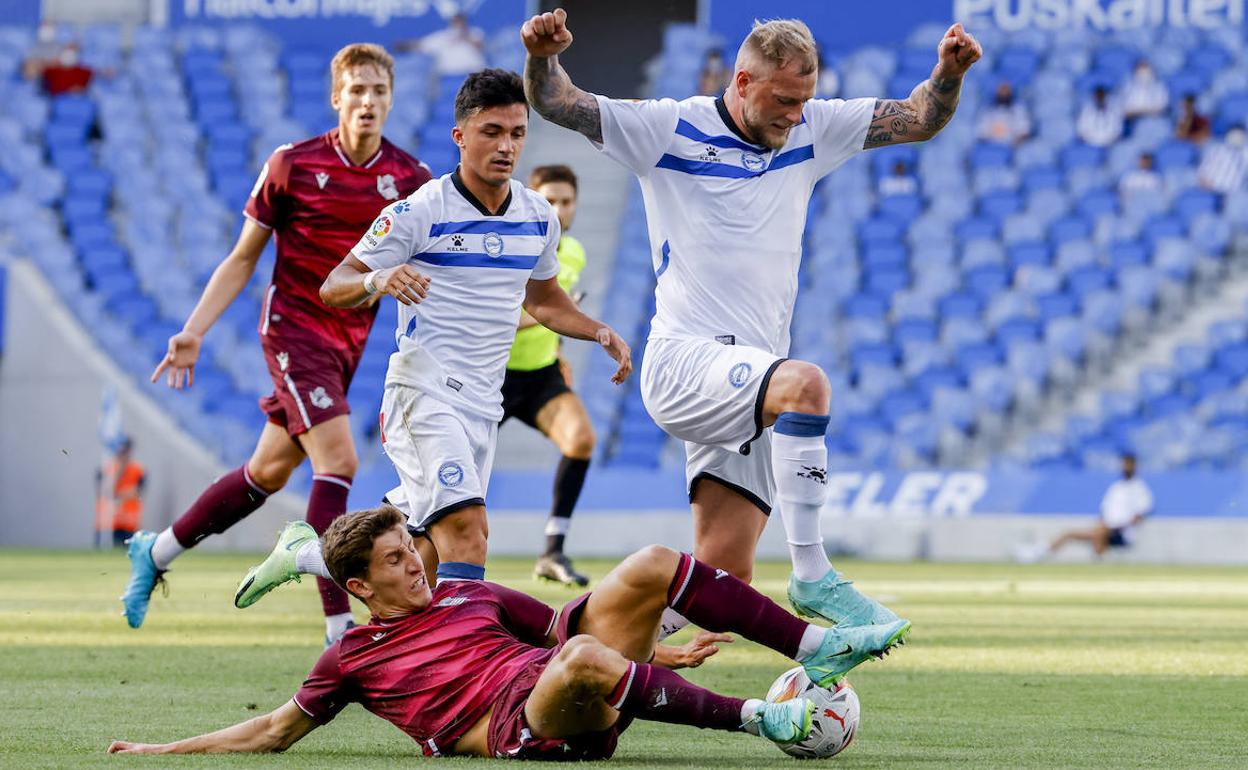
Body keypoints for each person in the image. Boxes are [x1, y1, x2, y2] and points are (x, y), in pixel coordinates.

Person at [521, 9, 979, 643]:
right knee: (807, 385)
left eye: (805, 101)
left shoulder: (814, 128)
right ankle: (812, 571)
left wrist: (948, 74)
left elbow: (920, 117)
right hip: (685, 362)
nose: (795, 115)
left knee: (722, 580)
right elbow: (557, 102)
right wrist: (542, 57)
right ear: (742, 80)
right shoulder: (668, 128)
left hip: (748, 380)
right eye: (784, 100)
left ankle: (566, 643)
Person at [108, 506, 908, 758]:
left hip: (577, 672)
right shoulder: (347, 655)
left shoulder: (473, 598)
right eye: (396, 563)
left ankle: (810, 644)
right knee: (584, 659)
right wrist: (162, 751)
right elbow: (275, 732)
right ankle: (757, 718)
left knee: (654, 561)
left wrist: (660, 647)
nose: (418, 569)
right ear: (358, 588)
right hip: (519, 725)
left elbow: (564, 626)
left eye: (413, 553)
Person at [120, 44, 433, 643]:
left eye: (379, 92)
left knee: (266, 471)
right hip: (292, 329)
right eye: (357, 90)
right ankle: (339, 628)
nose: (368, 102)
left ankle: (156, 552)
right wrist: (194, 330)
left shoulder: (410, 180)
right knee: (338, 460)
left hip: (348, 344)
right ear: (336, 97)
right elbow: (243, 258)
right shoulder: (292, 164)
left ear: (391, 100)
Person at [314, 69, 631, 588]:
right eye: (492, 132)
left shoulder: (538, 218)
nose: (506, 145)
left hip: (484, 402)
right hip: (424, 390)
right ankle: (471, 659)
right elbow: (335, 284)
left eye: (517, 132)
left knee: (424, 551)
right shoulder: (420, 211)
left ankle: (308, 557)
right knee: (468, 531)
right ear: (460, 136)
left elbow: (545, 300)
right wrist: (380, 276)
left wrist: (597, 331)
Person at [504, 164, 597, 586]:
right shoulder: (505, 247)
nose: (558, 211)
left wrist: (557, 348)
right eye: (548, 201)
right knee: (456, 469)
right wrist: (548, 317)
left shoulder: (574, 252)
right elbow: (501, 314)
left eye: (566, 202)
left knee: (581, 440)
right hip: (492, 375)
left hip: (540, 374)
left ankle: (553, 551)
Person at [1020, 453, 1153, 561]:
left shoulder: (1140, 489)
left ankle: (1099, 561)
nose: (1125, 467)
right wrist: (1104, 523)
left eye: (1128, 464)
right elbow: (1105, 511)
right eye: (1124, 464)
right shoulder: (1116, 487)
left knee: (1100, 533)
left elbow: (1140, 515)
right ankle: (1041, 551)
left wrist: (1118, 526)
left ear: (1135, 466)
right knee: (1069, 533)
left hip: (1123, 533)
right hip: (1105, 528)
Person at [95, 438, 145, 549]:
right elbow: (104, 491)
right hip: (108, 520)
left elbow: (138, 491)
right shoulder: (107, 468)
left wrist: (120, 494)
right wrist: (119, 471)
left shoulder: (137, 470)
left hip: (128, 521)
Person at [406, 13, 487, 76]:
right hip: (447, 74)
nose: (459, 24)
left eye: (461, 21)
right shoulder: (443, 36)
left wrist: (465, 36)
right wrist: (406, 46)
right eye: (456, 22)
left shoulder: (475, 33)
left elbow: (481, 47)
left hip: (472, 72)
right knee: (432, 73)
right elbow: (422, 45)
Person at [1197, 126, 1248, 193]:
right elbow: (1202, 172)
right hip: (1210, 189)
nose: (1237, 138)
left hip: (1232, 195)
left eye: (1240, 135)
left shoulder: (1245, 153)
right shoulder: (1217, 149)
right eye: (1234, 134)